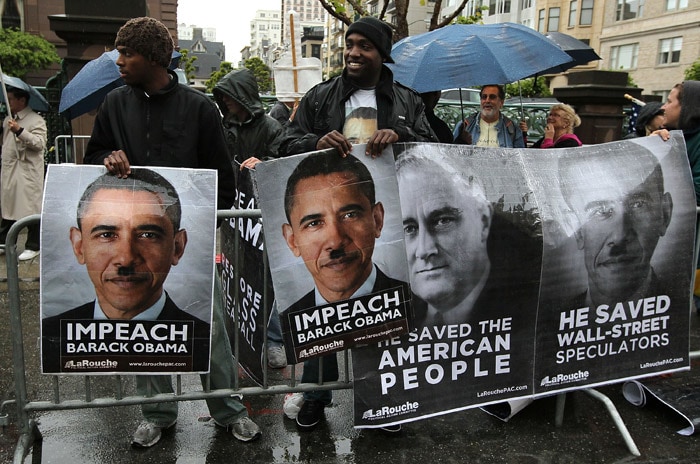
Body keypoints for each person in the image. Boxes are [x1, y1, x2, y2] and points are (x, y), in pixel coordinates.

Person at [82, 16, 260, 447]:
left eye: (127, 53)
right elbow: (94, 160)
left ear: (155, 58)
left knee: (210, 322)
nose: (119, 61)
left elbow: (223, 175)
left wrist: (199, 213)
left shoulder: (199, 108)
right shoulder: (114, 105)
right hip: (132, 237)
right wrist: (109, 159)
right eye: (119, 52)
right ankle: (157, 411)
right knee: (144, 323)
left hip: (190, 239)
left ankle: (227, 408)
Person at [281, 151, 408, 430]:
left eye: (350, 214)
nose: (335, 242)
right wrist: (313, 142)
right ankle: (314, 395)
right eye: (314, 223)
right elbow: (289, 137)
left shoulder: (412, 301)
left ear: (376, 219)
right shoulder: (292, 315)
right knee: (316, 328)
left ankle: (382, 398)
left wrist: (396, 133)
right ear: (292, 239)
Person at [41, 168, 210, 371]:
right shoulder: (54, 333)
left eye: (148, 235)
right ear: (79, 246)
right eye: (106, 235)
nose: (126, 259)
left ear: (178, 247)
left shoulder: (200, 338)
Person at [212, 68, 288, 368]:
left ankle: (273, 341)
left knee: (268, 277)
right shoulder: (223, 126)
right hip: (235, 211)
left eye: (230, 96)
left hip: (263, 213)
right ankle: (238, 337)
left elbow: (282, 157)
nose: (226, 102)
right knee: (237, 274)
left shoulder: (270, 126)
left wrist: (264, 163)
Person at [282, 16, 435, 159]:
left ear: (382, 55)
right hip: (333, 186)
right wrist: (315, 143)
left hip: (392, 187)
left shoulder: (409, 100)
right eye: (349, 45)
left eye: (364, 46)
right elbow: (284, 146)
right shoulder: (319, 96)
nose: (353, 53)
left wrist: (401, 135)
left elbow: (432, 151)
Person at [557, 142, 673, 309]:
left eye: (638, 204)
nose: (620, 236)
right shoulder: (549, 325)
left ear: (665, 214)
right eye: (601, 211)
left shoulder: (678, 313)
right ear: (576, 229)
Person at [0, 86, 47, 261]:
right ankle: (4, 242)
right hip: (10, 169)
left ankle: (34, 245)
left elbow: (39, 143)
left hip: (27, 172)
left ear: (22, 100)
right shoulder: (8, 120)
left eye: (11, 99)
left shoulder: (36, 120)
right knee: (9, 205)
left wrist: (19, 131)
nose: (8, 102)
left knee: (30, 207)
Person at [658, 81, 700, 204]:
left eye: (669, 102)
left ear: (687, 107)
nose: (663, 107)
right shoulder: (668, 135)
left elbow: (696, 193)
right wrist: (652, 146)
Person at [453, 85, 525, 148]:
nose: (487, 101)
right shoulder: (464, 126)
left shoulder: (512, 129)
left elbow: (519, 158)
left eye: (492, 97)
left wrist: (524, 134)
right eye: (484, 97)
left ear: (501, 103)